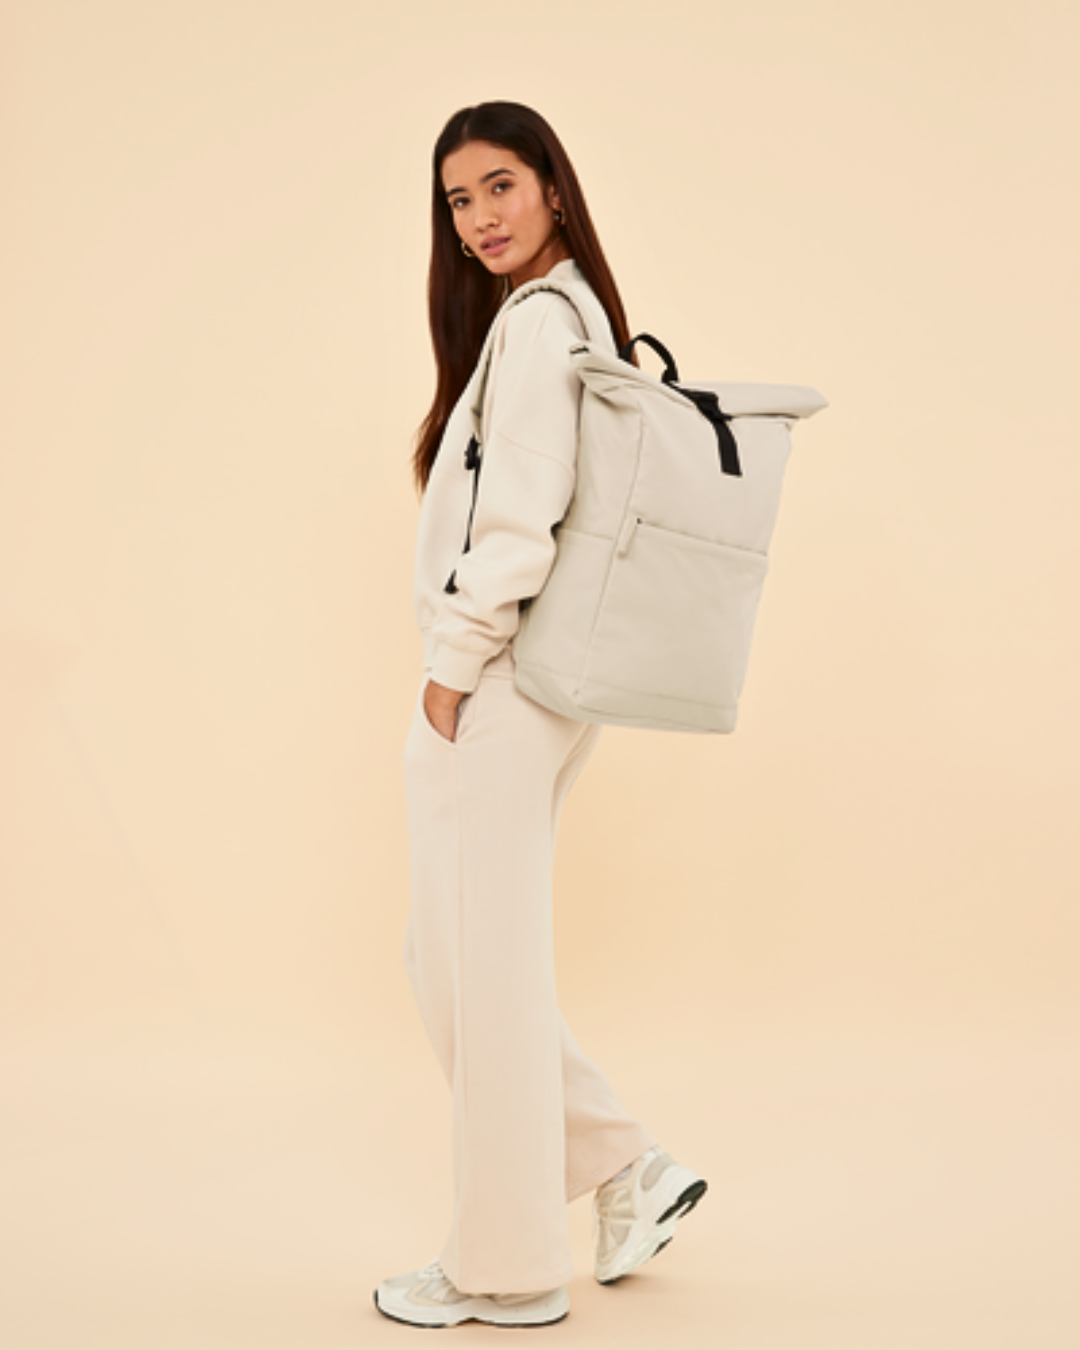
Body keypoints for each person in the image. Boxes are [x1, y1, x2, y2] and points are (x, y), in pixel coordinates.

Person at [374, 100, 707, 1330]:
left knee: (483, 974)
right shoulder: (565, 317)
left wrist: (452, 668)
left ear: (554, 188)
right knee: (460, 961)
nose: (479, 218)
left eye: (501, 186)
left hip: (502, 681)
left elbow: (520, 520)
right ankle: (624, 1165)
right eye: (458, 200)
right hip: (539, 682)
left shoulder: (536, 328)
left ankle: (505, 1271)